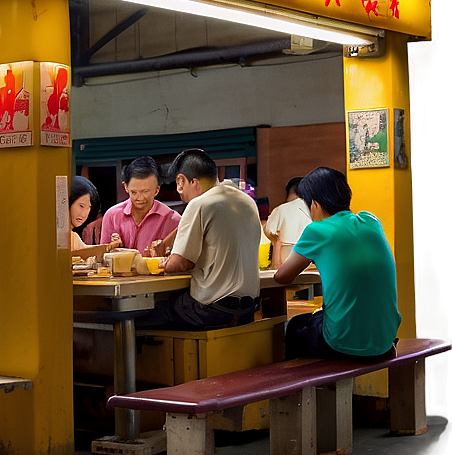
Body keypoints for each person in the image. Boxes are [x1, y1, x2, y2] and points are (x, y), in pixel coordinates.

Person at [275, 167, 400, 360]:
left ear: (314, 204)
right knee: (323, 316)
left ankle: (299, 389)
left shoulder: (317, 230)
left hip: (342, 343)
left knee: (293, 326)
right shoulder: (371, 221)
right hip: (385, 342)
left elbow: (282, 276)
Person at [137, 149, 262, 330]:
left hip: (212, 310)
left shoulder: (199, 203)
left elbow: (180, 264)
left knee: (143, 314)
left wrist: (161, 262)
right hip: (248, 309)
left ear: (182, 181)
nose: (181, 195)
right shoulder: (246, 200)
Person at [100, 156, 181, 255]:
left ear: (157, 189)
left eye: (145, 192)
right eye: (134, 192)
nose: (140, 198)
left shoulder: (173, 220)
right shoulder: (112, 216)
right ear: (125, 187)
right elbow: (103, 257)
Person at [264, 176, 311, 268]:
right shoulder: (313, 209)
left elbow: (269, 230)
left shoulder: (281, 209)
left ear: (290, 191)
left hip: (284, 260)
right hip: (309, 260)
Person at [69, 177, 120, 253]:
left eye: (88, 208)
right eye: (81, 206)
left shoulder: (73, 236)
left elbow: (86, 251)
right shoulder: (62, 236)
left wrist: (110, 246)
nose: (83, 214)